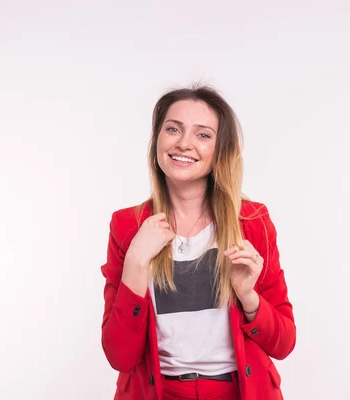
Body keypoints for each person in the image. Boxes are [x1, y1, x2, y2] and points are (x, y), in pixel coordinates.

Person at [100, 84, 296, 400]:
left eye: (203, 135)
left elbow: (284, 343)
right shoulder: (128, 226)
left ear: (220, 149)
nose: (184, 143)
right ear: (157, 141)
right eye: (173, 129)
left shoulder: (252, 222)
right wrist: (136, 262)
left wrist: (248, 298)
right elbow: (120, 356)